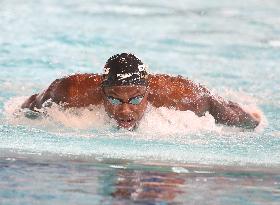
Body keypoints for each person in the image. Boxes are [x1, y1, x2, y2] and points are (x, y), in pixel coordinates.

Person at [21, 53, 260, 130]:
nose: (125, 110)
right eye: (114, 99)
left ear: (148, 92)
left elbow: (228, 111)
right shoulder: (70, 91)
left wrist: (252, 121)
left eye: (135, 99)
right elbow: (32, 104)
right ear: (102, 91)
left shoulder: (183, 96)